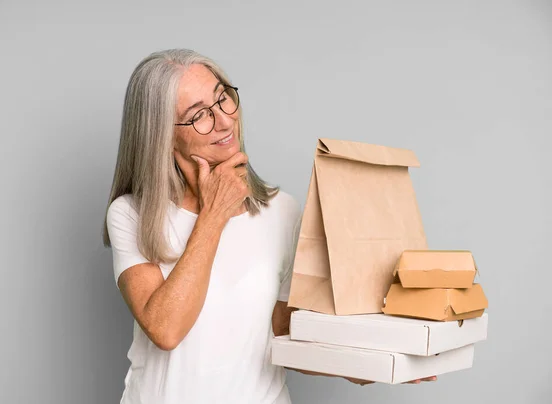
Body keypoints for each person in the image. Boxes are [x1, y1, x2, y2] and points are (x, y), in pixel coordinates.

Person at [102, 49, 435, 404]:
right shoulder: (131, 214)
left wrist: (365, 366)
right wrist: (213, 214)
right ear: (162, 135)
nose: (225, 122)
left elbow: (284, 333)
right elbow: (165, 329)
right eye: (199, 115)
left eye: (222, 99)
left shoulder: (283, 211)